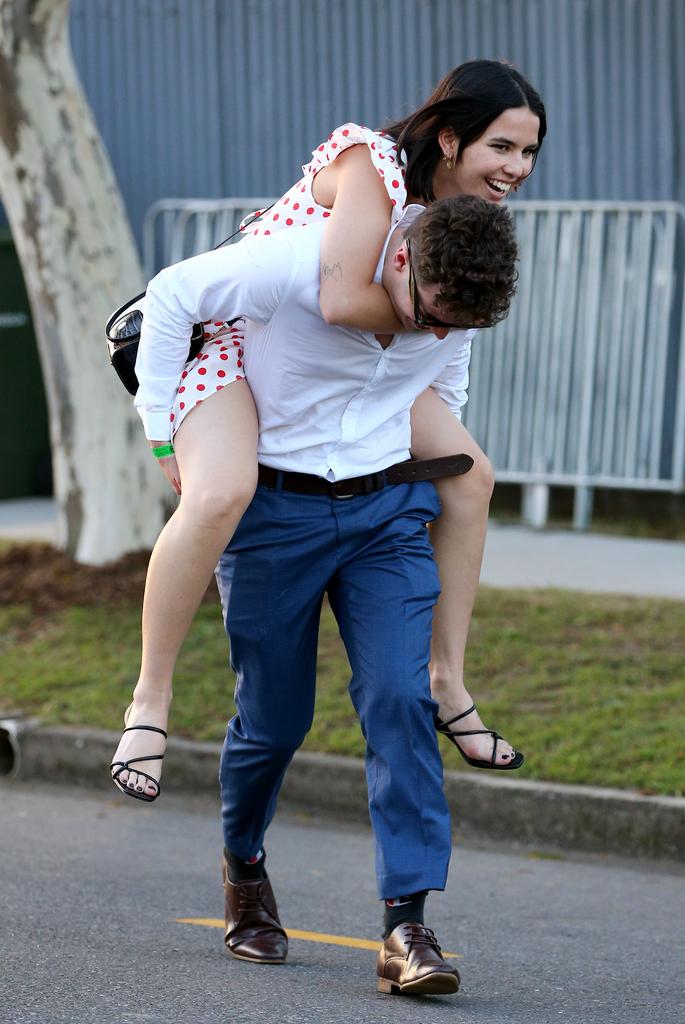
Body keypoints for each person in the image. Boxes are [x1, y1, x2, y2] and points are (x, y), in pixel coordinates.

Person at [110, 59, 546, 801]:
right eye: (501, 147)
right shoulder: (372, 168)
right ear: (448, 138)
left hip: (350, 364)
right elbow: (344, 300)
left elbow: (431, 337)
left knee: (470, 473)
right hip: (234, 336)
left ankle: (447, 680)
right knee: (220, 493)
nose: (517, 168)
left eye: (530, 152)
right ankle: (149, 701)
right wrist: (159, 430)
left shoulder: (456, 224)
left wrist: (436, 334)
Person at [136, 192, 519, 992]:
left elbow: (445, 395)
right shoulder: (302, 269)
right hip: (277, 514)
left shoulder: (455, 311)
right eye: (433, 313)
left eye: (461, 325)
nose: (439, 333)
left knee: (398, 699)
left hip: (386, 516)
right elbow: (171, 294)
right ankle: (244, 865)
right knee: (274, 724)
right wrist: (162, 432)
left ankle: (406, 926)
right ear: (402, 261)